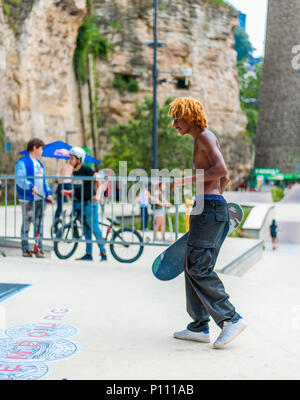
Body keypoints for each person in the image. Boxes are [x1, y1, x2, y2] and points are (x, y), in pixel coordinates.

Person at [169, 97, 246, 349]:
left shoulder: (204, 137)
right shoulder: (203, 139)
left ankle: (230, 318)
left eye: (176, 118)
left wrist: (185, 182)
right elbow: (225, 176)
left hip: (209, 208)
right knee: (192, 264)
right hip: (208, 206)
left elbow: (221, 169)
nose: (174, 124)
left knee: (199, 266)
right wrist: (216, 196)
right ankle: (200, 325)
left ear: (189, 116)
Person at [15, 138, 54, 258]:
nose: (42, 151)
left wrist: (48, 193)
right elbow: (20, 179)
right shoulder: (22, 162)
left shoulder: (39, 164)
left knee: (39, 225)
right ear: (35, 148)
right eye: (41, 148)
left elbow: (44, 181)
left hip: (40, 199)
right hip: (27, 199)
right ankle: (25, 249)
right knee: (26, 224)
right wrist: (30, 186)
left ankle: (39, 248)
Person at [68, 146, 107, 261]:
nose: (70, 161)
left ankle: (103, 252)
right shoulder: (74, 172)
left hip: (90, 203)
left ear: (79, 160)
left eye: (72, 159)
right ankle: (88, 254)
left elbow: (99, 179)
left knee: (94, 228)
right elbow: (79, 187)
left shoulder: (85, 170)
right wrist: (69, 192)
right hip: (80, 203)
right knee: (86, 229)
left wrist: (98, 195)